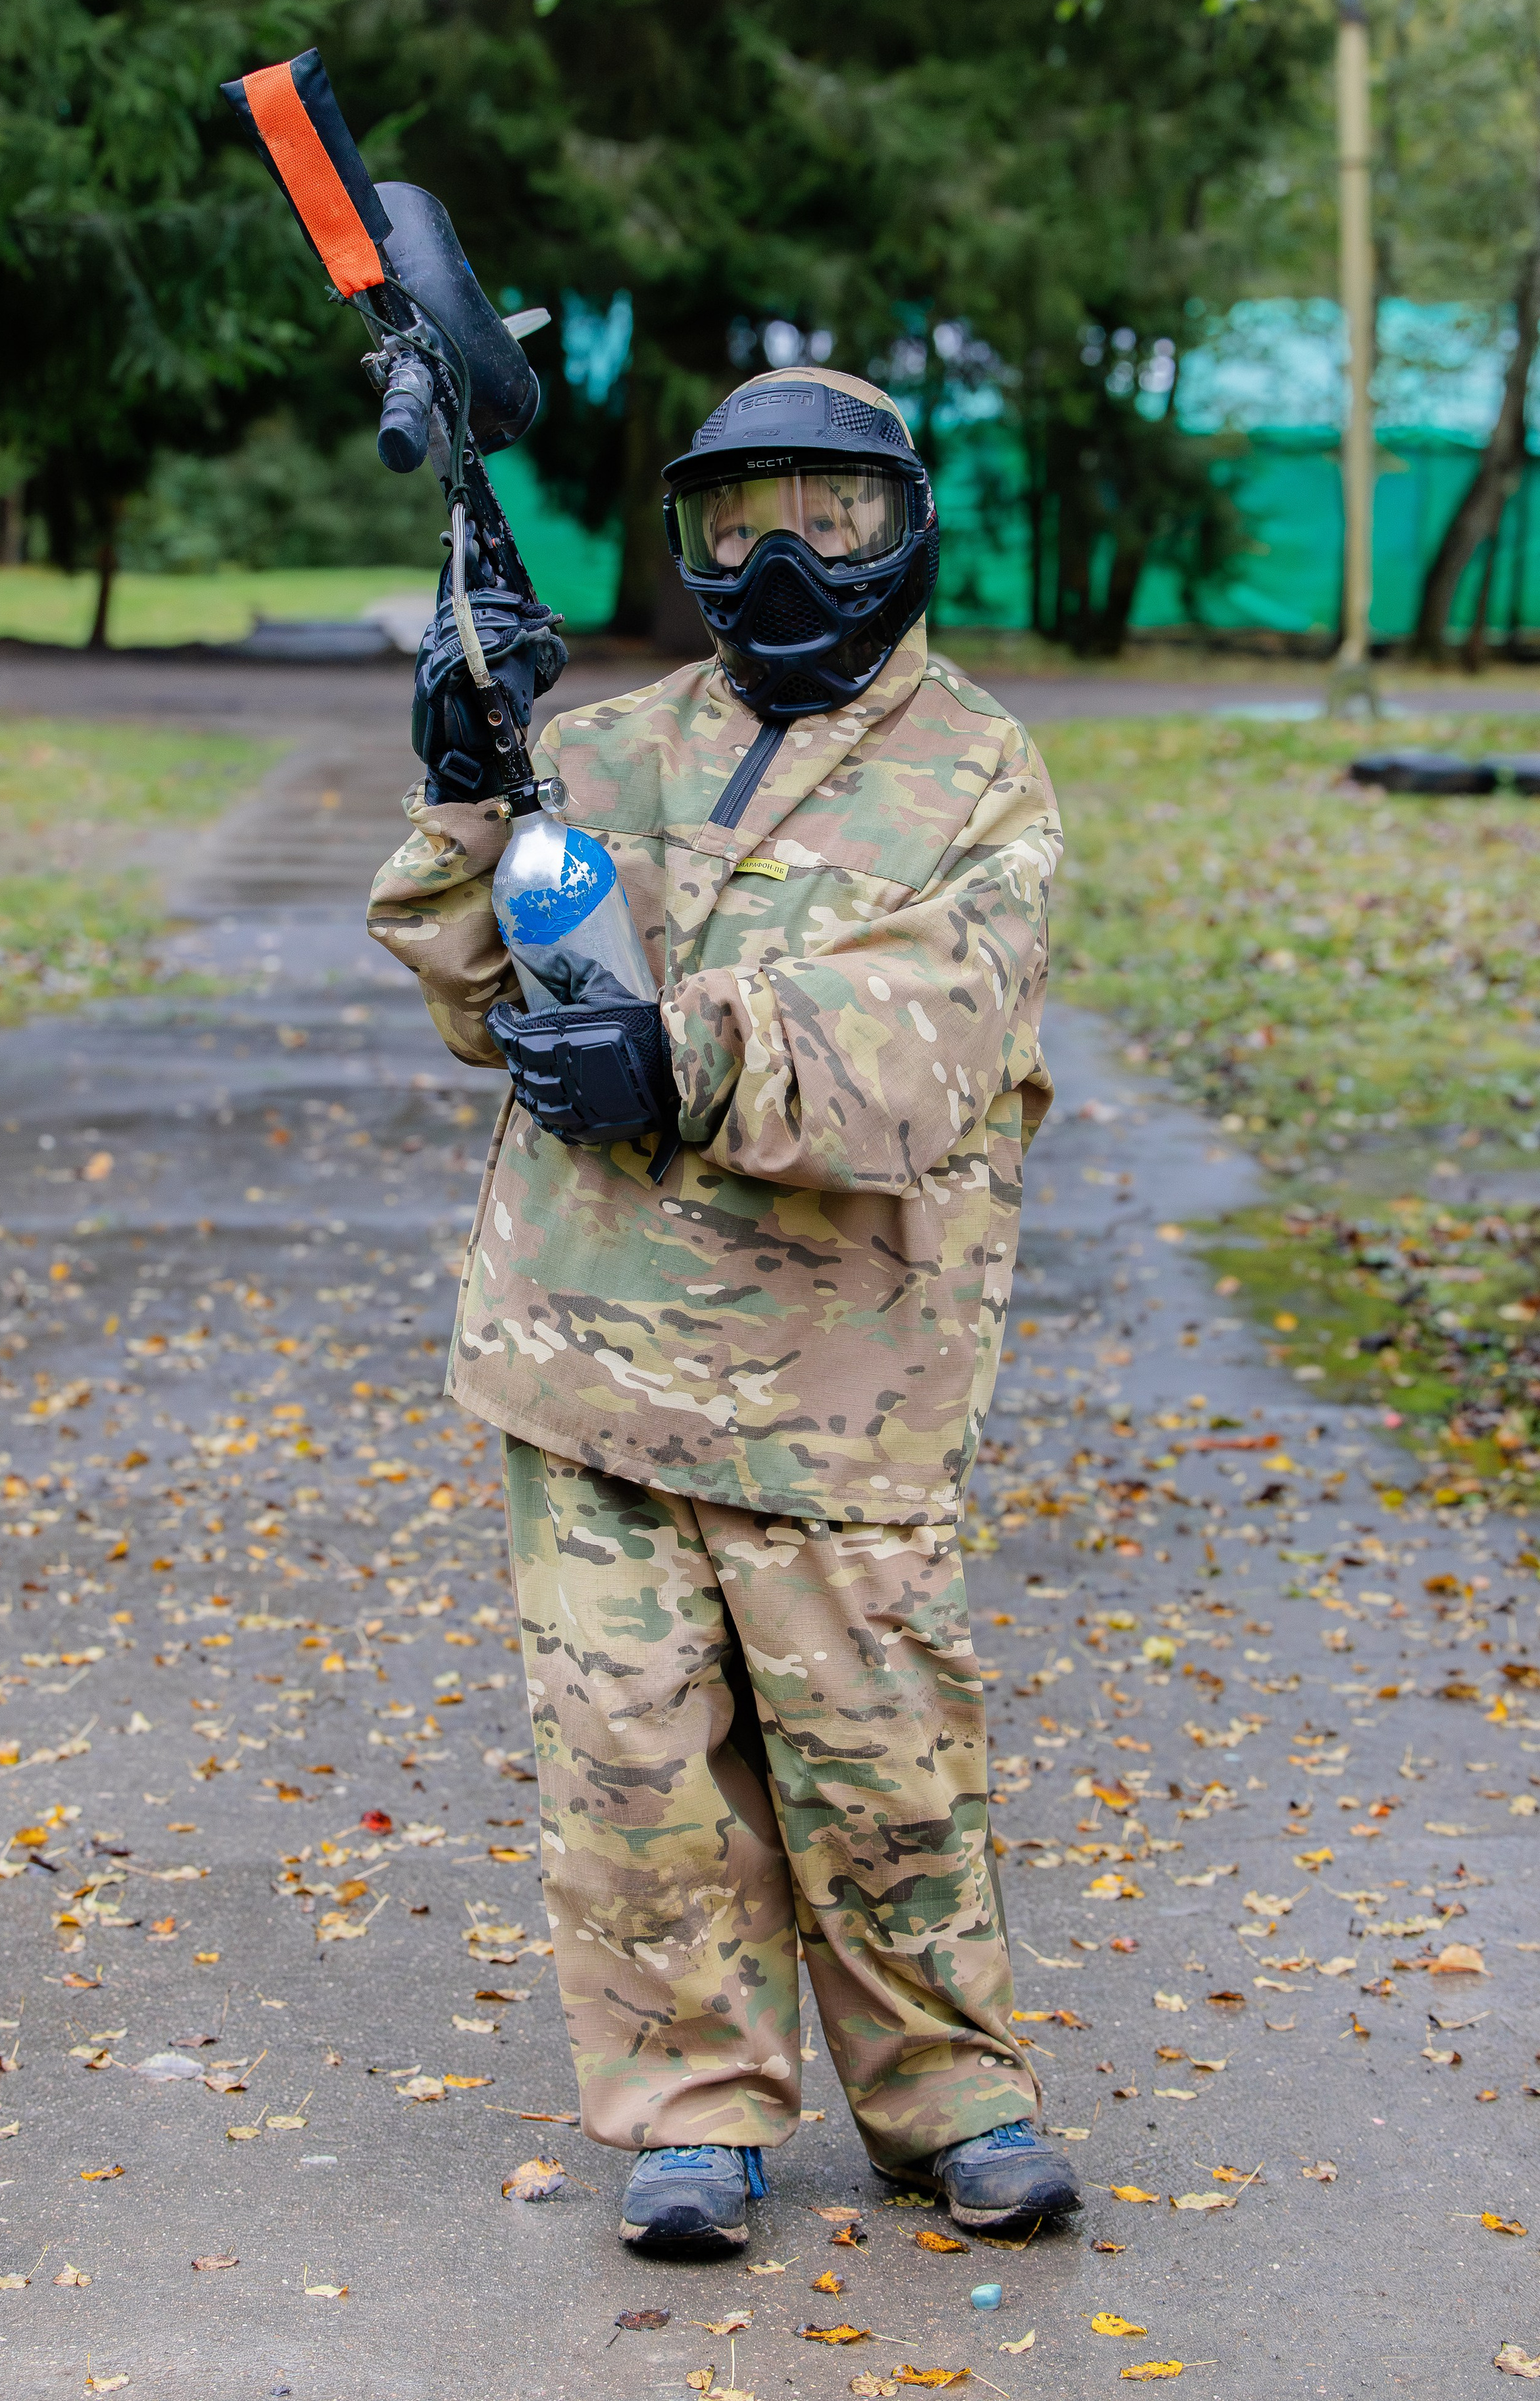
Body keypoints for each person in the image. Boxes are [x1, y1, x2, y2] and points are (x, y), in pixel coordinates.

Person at [368, 364, 1078, 2254]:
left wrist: (675, 1060)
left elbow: (929, 1035)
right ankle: (695, 2114)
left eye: (828, 518)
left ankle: (952, 2098)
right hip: (580, 1359)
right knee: (632, 1762)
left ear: (906, 530)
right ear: (684, 539)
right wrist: (461, 781)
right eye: (734, 522)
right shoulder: (604, 748)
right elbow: (478, 980)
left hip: (840, 1388)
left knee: (882, 1758)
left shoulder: (979, 778)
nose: (779, 560)